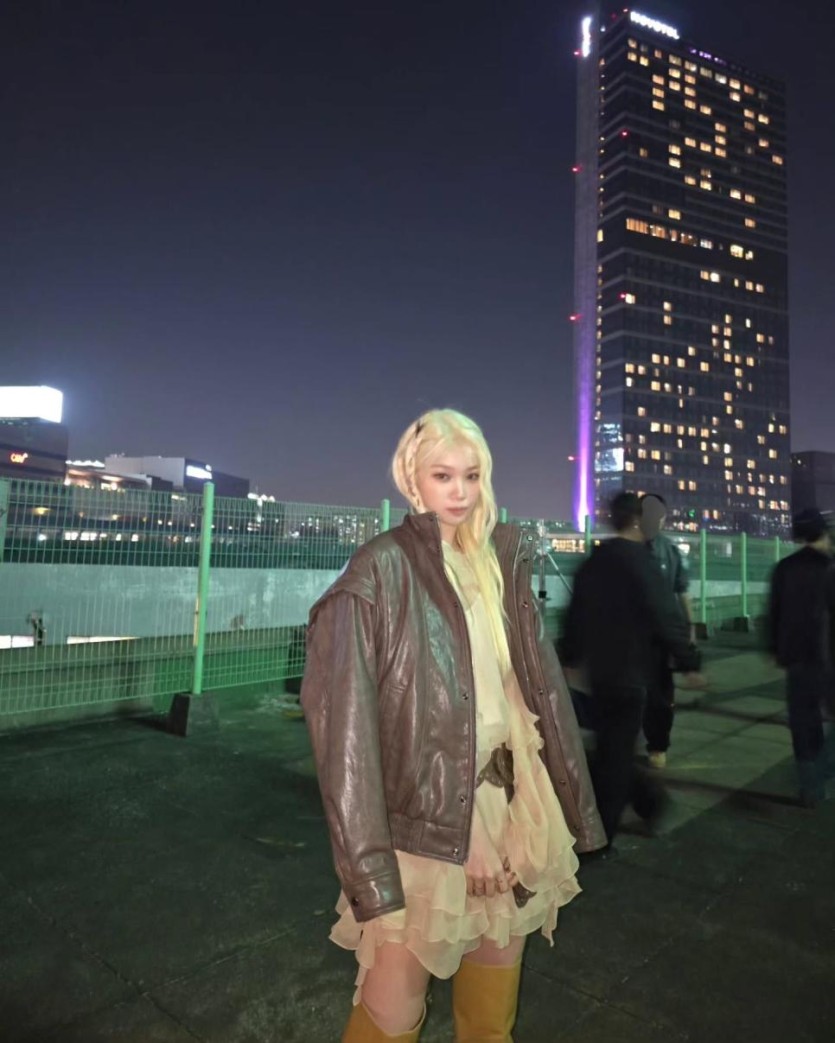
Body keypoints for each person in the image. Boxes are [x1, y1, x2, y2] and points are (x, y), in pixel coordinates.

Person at [300, 409, 605, 1042]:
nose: (460, 492)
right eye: (443, 475)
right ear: (411, 479)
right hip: (428, 825)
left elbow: (527, 699)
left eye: (472, 475)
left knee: (492, 1013)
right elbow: (345, 739)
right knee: (393, 1010)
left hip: (516, 809)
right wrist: (457, 836)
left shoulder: (497, 561)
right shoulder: (379, 571)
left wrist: (544, 806)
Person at [561, 492, 706, 851]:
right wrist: (688, 661)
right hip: (632, 673)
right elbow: (667, 617)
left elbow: (575, 615)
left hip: (598, 672)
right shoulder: (644, 563)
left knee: (611, 748)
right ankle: (611, 831)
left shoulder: (593, 561)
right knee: (615, 753)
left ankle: (645, 804)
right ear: (639, 521)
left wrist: (570, 658)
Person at [766, 508, 835, 807]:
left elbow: (774, 613)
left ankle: (810, 787)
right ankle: (820, 773)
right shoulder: (830, 567)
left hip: (795, 658)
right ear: (824, 533)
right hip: (828, 658)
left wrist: (774, 649)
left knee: (803, 721)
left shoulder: (784, 568)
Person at [639, 494, 695, 769]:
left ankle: (653, 743)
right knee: (659, 694)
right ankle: (657, 746)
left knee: (648, 693)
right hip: (657, 636)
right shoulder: (671, 551)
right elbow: (682, 593)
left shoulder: (630, 548)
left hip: (640, 636)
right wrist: (690, 628)